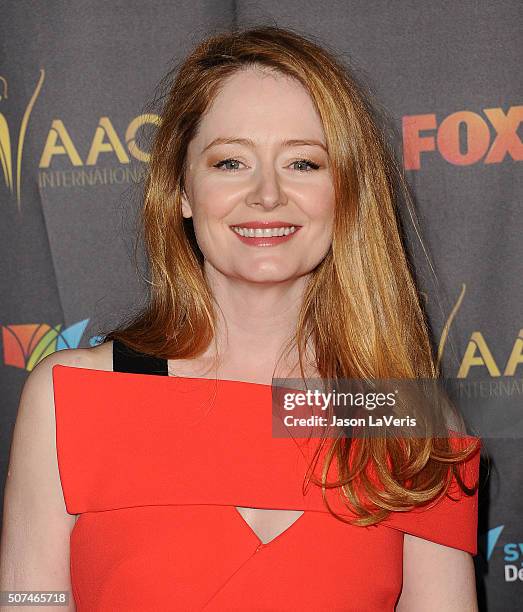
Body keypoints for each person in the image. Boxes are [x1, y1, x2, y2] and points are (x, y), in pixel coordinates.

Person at [0, 25, 481, 611]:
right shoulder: (72, 398)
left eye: (304, 163)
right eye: (230, 162)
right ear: (181, 190)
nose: (267, 195)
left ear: (348, 191)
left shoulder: (403, 416)